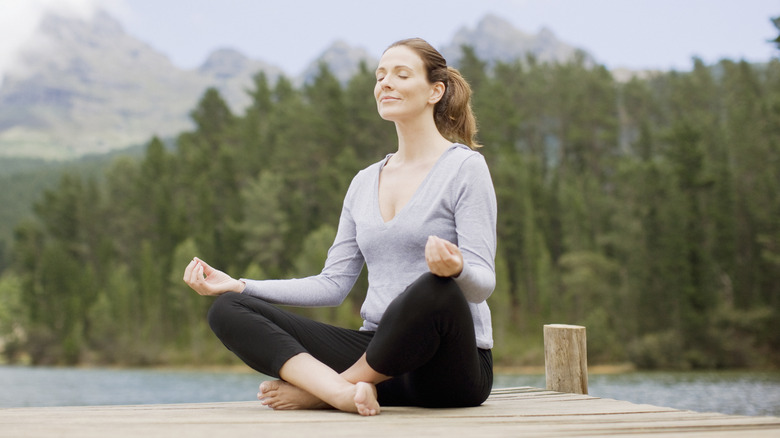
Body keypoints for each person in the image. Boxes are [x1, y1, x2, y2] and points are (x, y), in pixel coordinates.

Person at [183, 37, 497, 416]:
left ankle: (325, 391)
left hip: (449, 372)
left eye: (401, 74)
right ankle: (341, 390)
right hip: (382, 360)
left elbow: (483, 285)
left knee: (435, 288)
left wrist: (457, 269)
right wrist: (240, 285)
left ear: (435, 90)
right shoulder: (364, 182)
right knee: (228, 308)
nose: (386, 83)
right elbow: (333, 285)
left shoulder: (464, 169)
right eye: (380, 76)